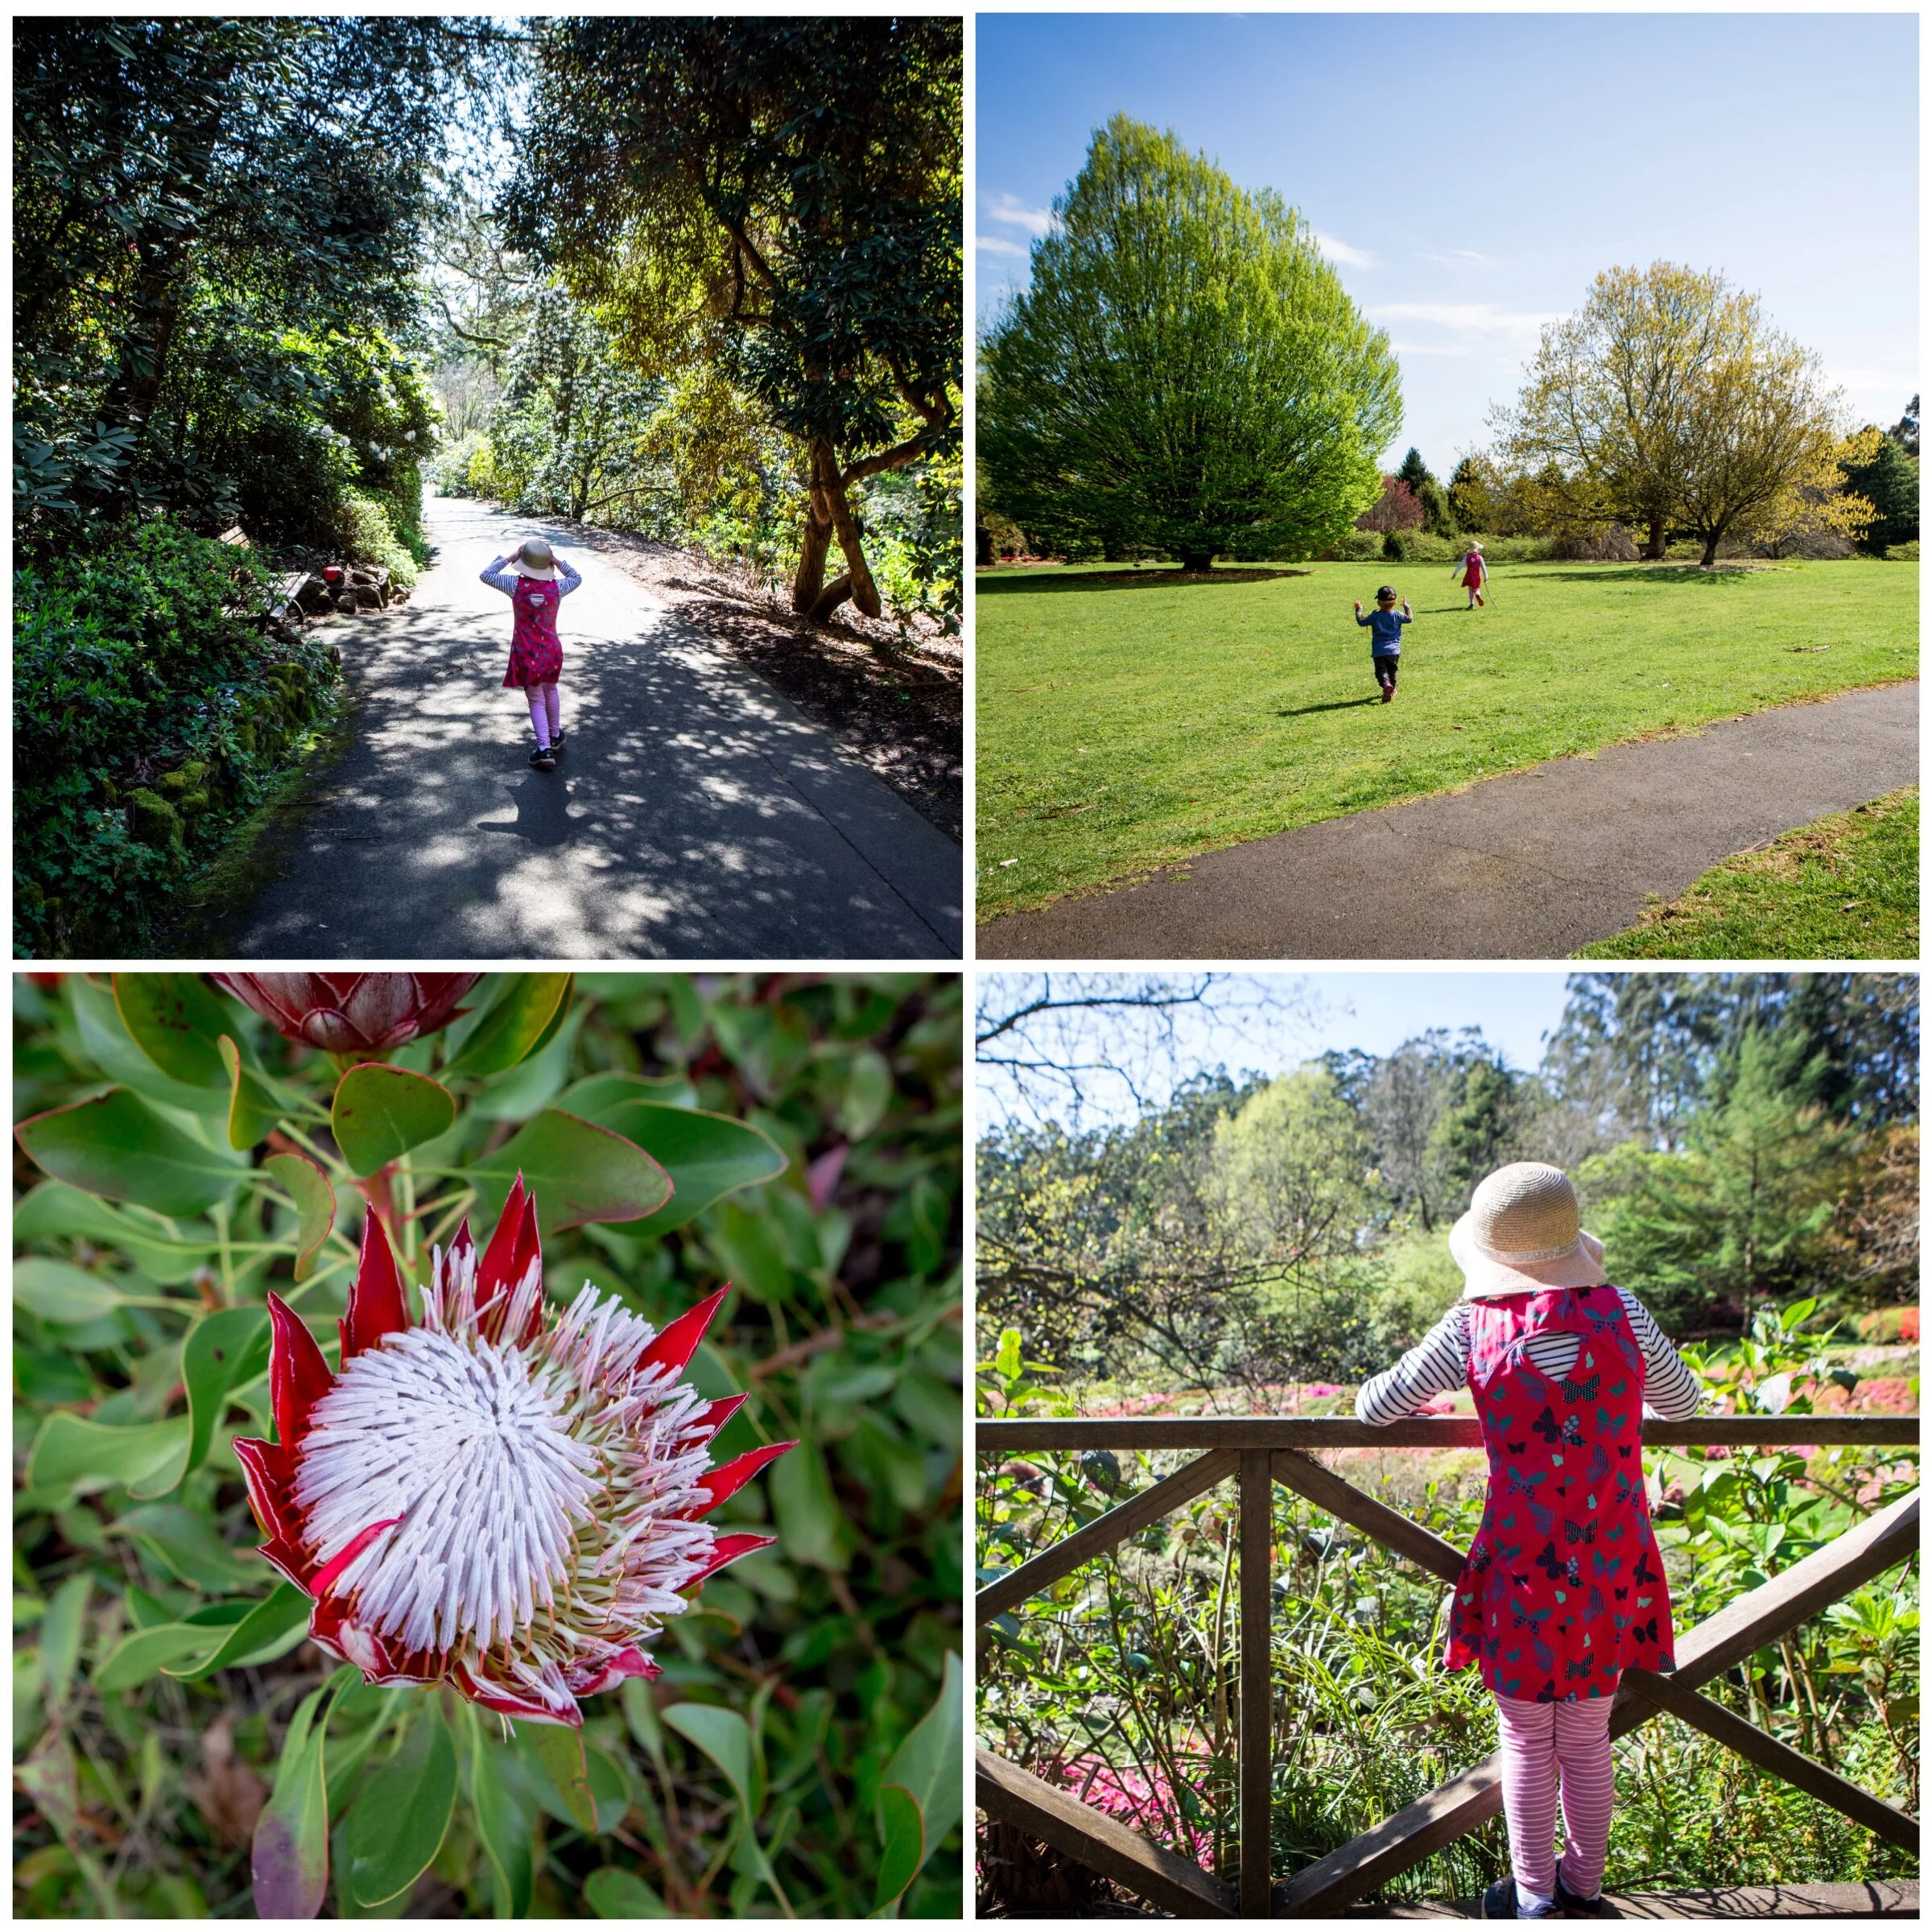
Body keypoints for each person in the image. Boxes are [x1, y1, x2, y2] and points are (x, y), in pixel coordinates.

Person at [1356, 1162, 1702, 1920]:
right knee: (1587, 1737)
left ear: (1488, 1253)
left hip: (1521, 1564)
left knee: (1523, 1738)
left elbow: (1374, 1406)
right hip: (1610, 1560)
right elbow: (1683, 1402)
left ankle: (1535, 1901)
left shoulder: (1468, 1327)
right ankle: (1584, 1888)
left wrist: (1410, 1396)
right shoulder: (1622, 1311)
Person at [481, 537, 583, 770]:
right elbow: (576, 577)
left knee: (536, 698)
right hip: (552, 650)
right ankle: (554, 735)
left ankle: (544, 749)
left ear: (523, 563)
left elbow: (486, 575)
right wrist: (555, 560)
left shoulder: (513, 585)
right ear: (547, 565)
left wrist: (511, 557)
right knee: (551, 690)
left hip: (526, 652)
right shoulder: (557, 588)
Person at [1352, 585, 1412, 702]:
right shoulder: (1398, 615)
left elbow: (1361, 622)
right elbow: (1409, 619)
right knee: (1392, 671)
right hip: (1394, 651)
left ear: (1379, 602)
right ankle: (1392, 689)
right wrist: (1406, 606)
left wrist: (1359, 610)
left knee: (1381, 671)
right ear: (1394, 602)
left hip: (1379, 651)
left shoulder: (1375, 616)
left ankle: (1386, 685)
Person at [1454, 539, 1489, 608]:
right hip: (1476, 576)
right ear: (1478, 549)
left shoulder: (1467, 557)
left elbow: (1460, 565)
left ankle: (1472, 604)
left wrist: (1455, 573)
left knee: (1470, 589)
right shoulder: (1479, 557)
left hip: (1469, 576)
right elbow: (1483, 567)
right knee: (1476, 588)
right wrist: (1486, 576)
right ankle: (1477, 594)